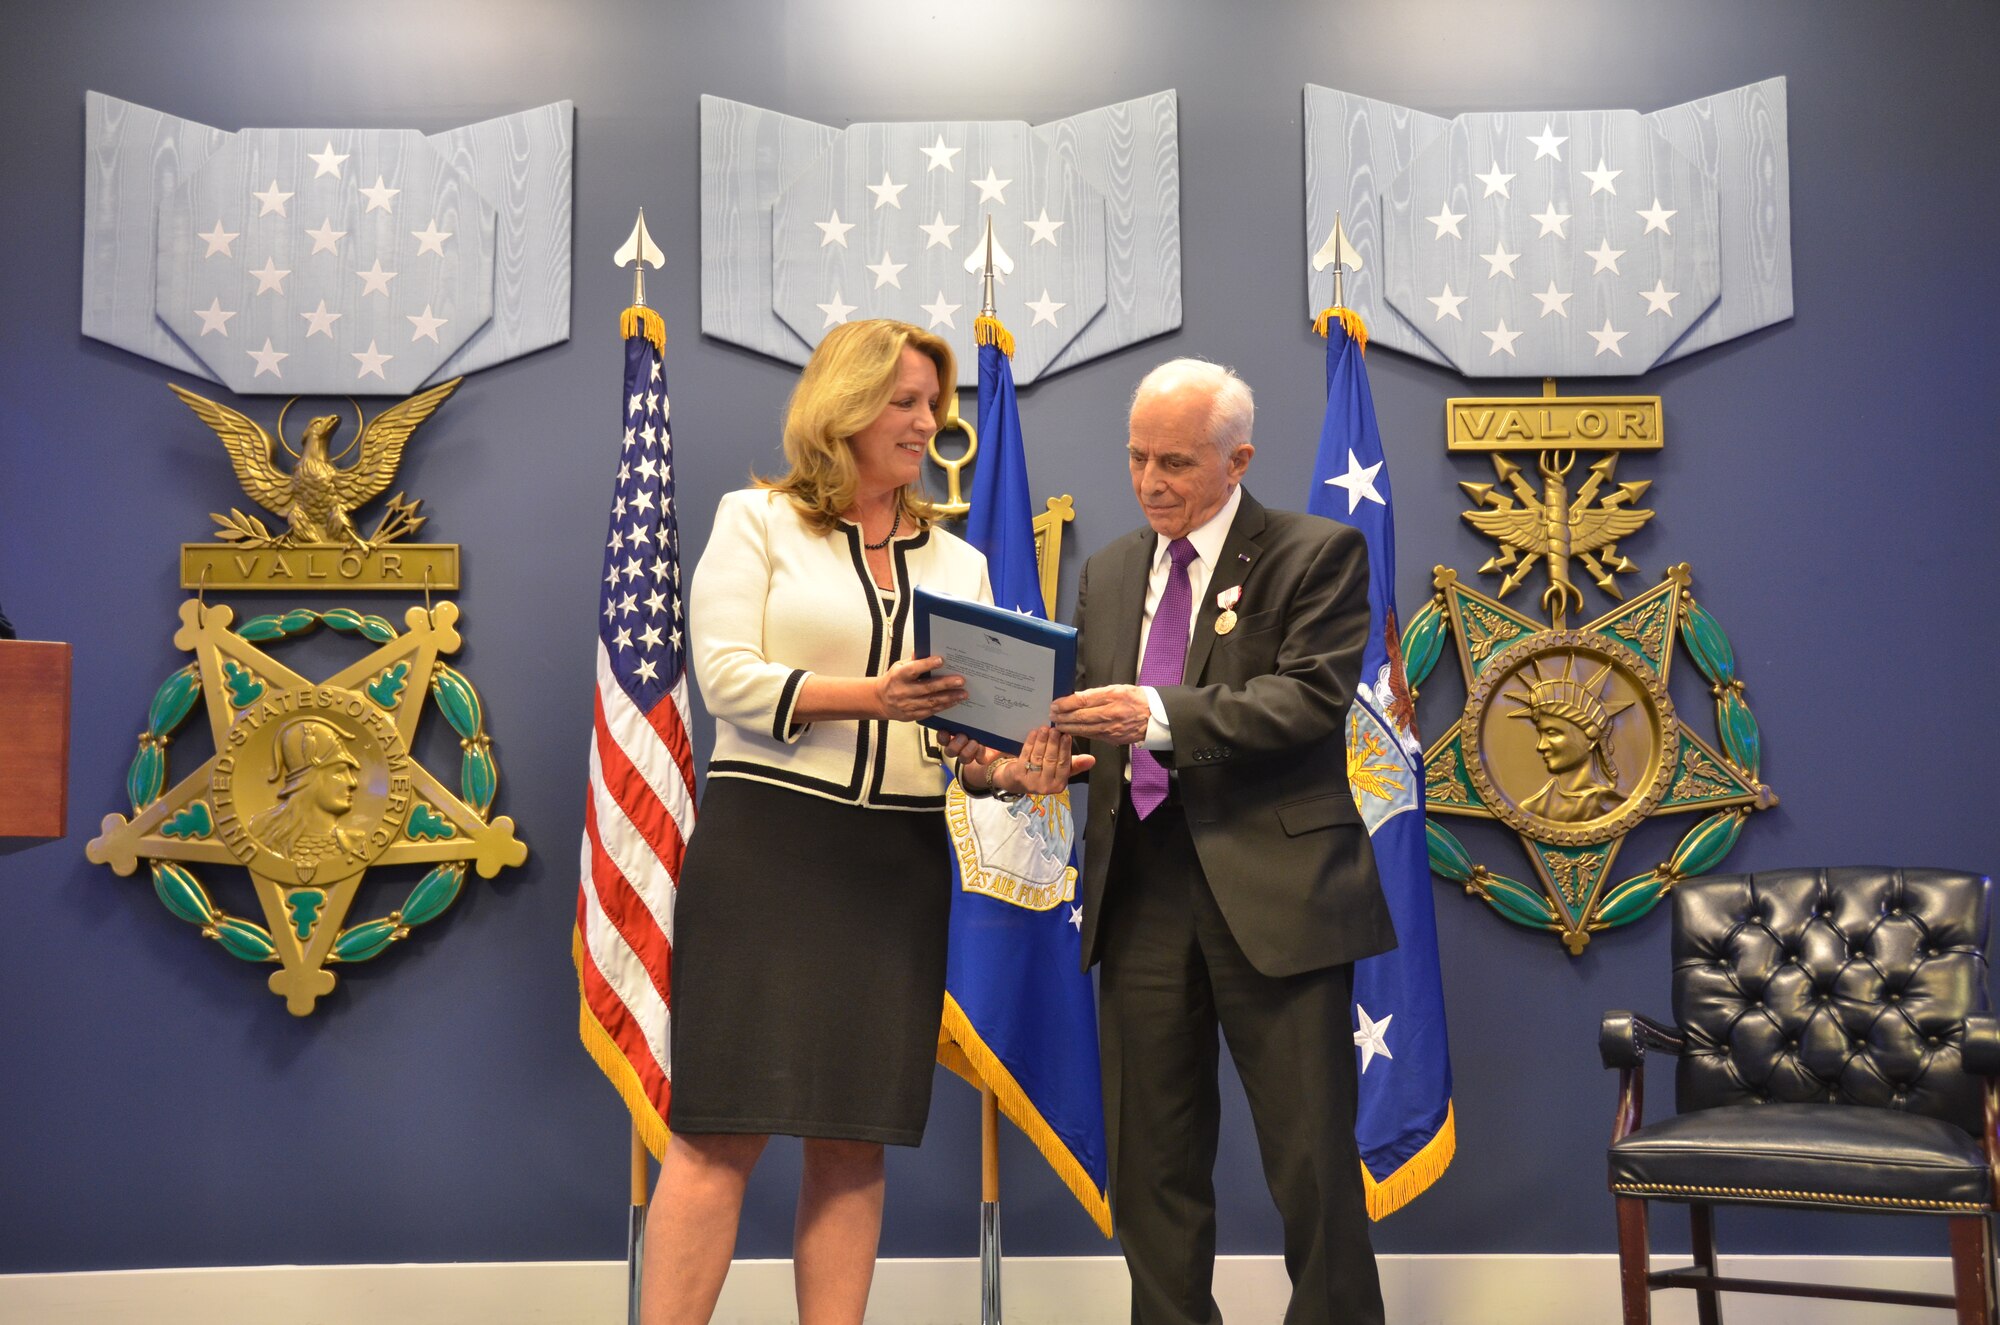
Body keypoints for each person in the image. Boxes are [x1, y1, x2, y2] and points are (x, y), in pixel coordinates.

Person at [639, 319, 1084, 1325]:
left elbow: (962, 741)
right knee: (718, 1130)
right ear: (841, 407)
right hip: (767, 852)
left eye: (934, 404)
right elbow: (726, 679)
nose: (928, 423)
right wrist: (870, 695)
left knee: (852, 1138)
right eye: (906, 401)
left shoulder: (960, 563)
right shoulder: (753, 520)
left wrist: (1012, 763)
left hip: (896, 867)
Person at [1050, 358, 1396, 1325]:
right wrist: (1043, 754)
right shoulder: (1112, 568)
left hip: (1276, 895)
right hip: (1141, 893)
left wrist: (1153, 712)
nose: (1151, 481)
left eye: (1175, 462)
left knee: (1312, 1167)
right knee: (1152, 1167)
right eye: (1136, 458)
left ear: (1238, 458)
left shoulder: (1315, 551)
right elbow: (1103, 726)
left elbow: (1308, 700)